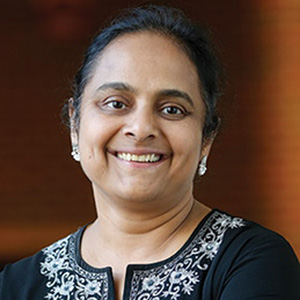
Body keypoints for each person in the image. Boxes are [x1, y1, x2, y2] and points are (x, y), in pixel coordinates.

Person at [0, 5, 299, 300]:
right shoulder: (15, 286)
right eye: (116, 103)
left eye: (172, 109)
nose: (141, 128)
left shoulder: (251, 262)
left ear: (207, 138)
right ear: (75, 123)